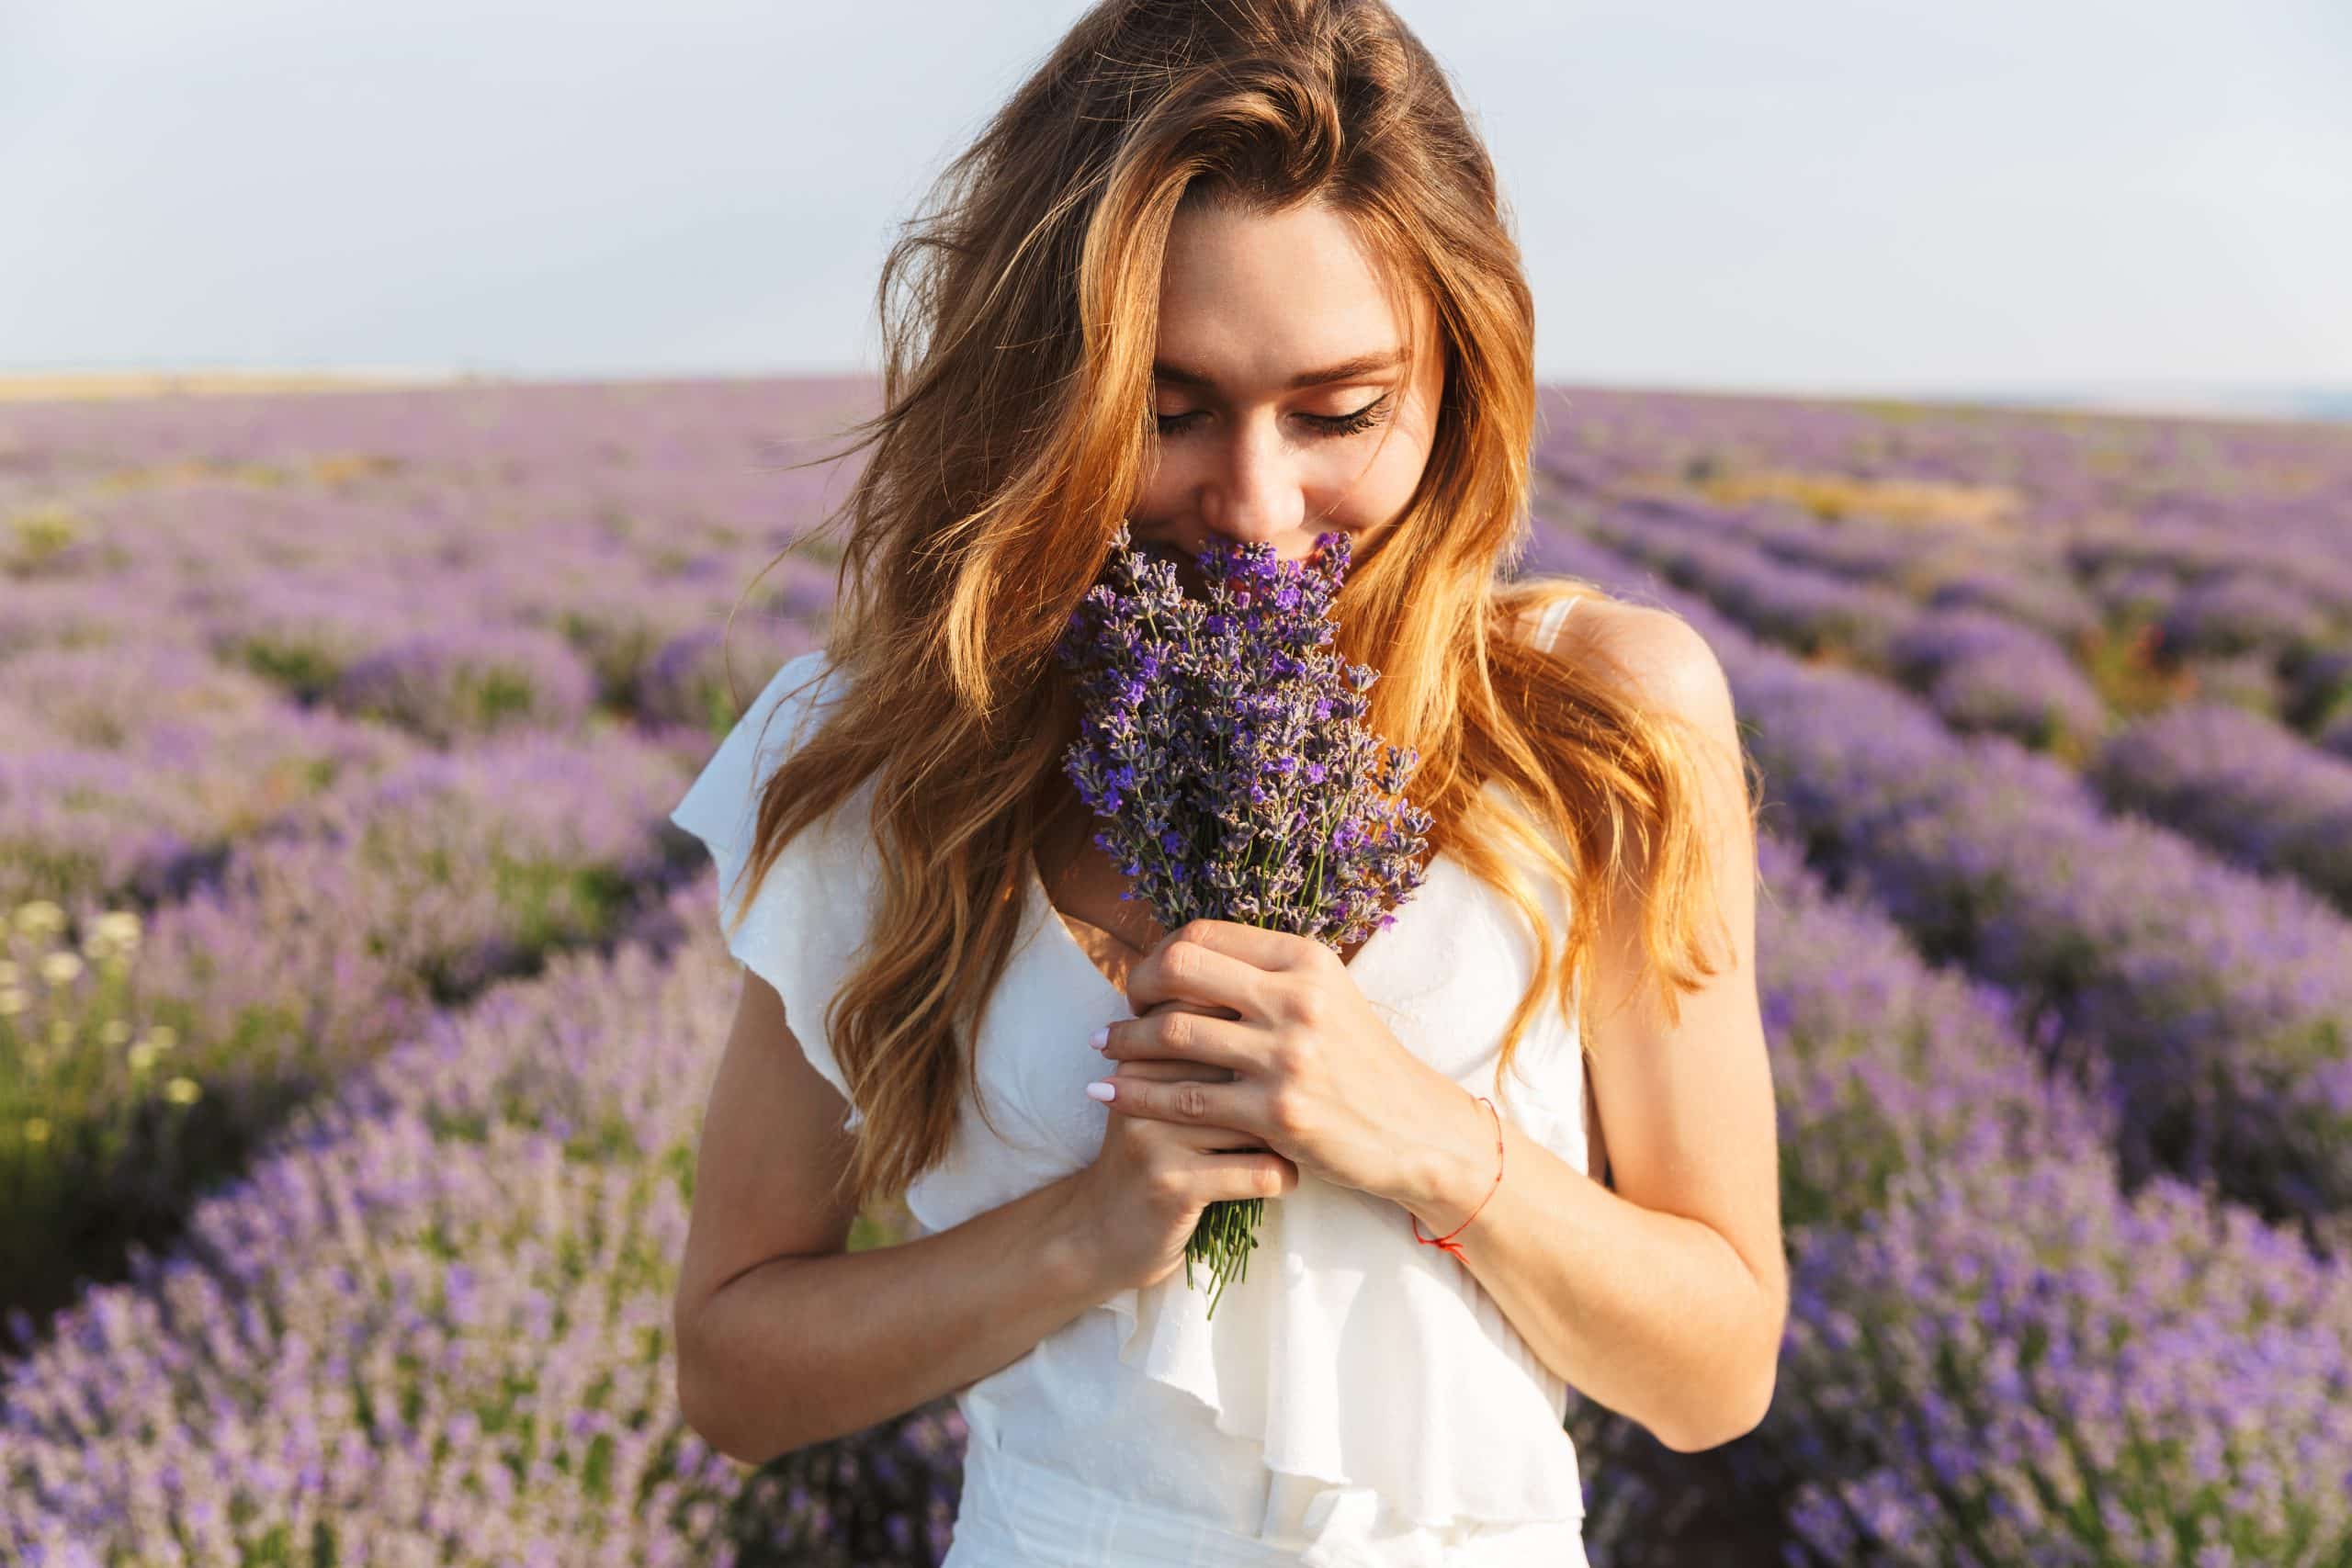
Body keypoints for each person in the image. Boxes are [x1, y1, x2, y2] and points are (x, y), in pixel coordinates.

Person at [668, 2, 1785, 1563]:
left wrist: (1426, 1141)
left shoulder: (1598, 720)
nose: (1258, 508)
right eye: (1169, 411)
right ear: (1042, 389)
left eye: (1338, 413)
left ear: (1458, 378)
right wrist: (1081, 1233)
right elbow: (731, 1372)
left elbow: (1719, 1372)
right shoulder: (895, 748)